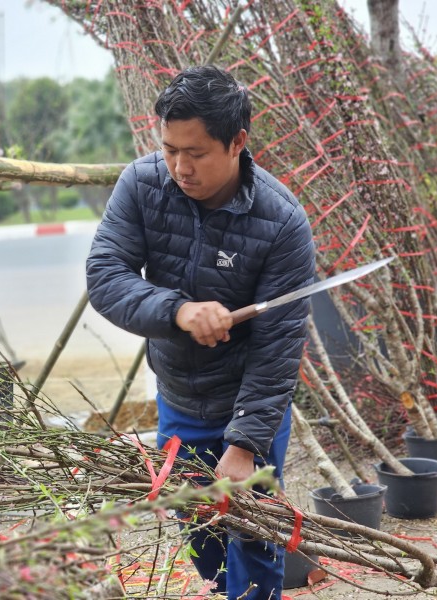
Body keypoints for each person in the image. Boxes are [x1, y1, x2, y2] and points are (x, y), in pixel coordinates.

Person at [86, 65, 315, 599]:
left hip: (247, 400)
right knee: (201, 531)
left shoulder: (282, 223)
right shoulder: (142, 184)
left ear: (237, 142)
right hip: (179, 396)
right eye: (170, 149)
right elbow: (105, 274)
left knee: (254, 536)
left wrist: (245, 444)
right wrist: (177, 311)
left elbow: (278, 348)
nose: (180, 167)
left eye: (196, 153)